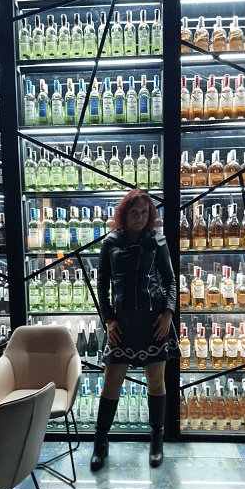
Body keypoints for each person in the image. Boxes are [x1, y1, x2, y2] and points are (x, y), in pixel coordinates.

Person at [90, 189, 178, 471]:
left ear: (149, 214)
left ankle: (156, 440)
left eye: (144, 212)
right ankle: (100, 442)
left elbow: (171, 281)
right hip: (122, 324)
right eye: (134, 212)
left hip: (154, 322)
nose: (139, 218)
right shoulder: (111, 242)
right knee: (111, 383)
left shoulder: (158, 241)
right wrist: (109, 319)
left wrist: (168, 313)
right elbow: (102, 284)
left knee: (156, 382)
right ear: (124, 214)